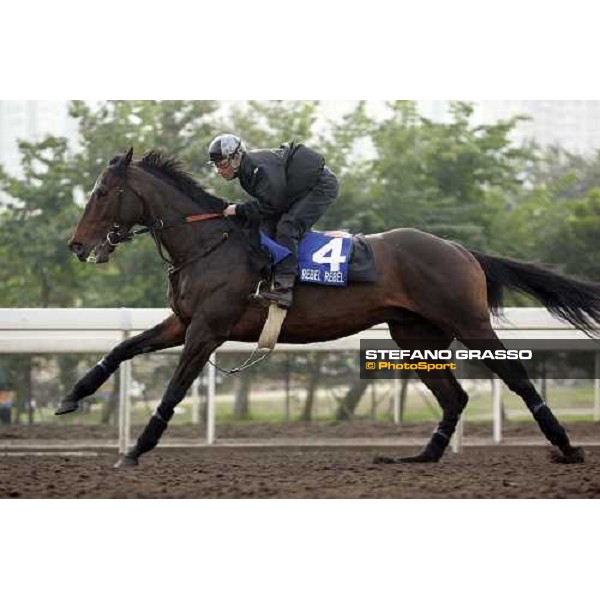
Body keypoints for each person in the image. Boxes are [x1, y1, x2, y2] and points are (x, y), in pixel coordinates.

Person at [208, 133, 339, 308]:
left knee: (287, 227)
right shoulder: (246, 172)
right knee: (264, 227)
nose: (219, 171)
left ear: (235, 157)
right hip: (299, 189)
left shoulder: (257, 168)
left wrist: (238, 209)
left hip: (321, 186)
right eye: (216, 166)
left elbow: (272, 205)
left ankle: (284, 289)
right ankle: (268, 277)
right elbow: (267, 206)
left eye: (222, 164)